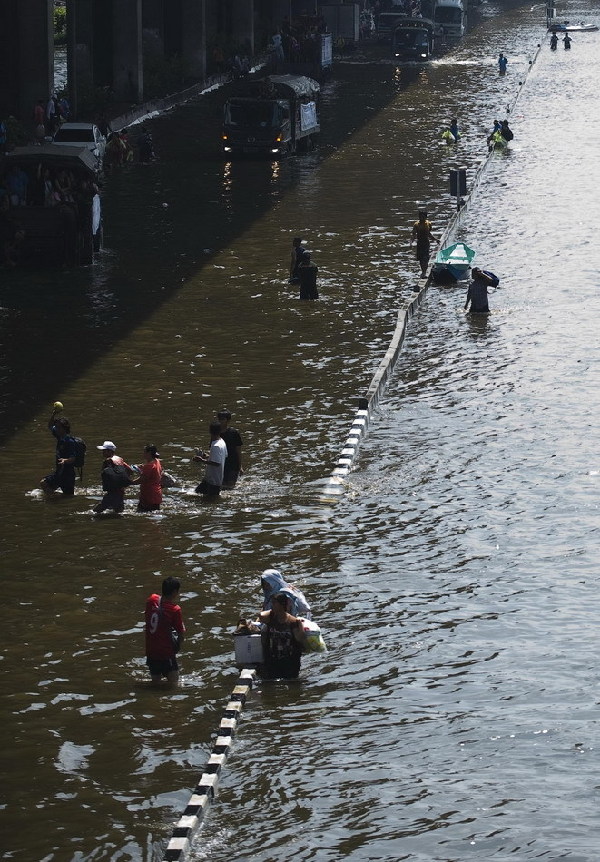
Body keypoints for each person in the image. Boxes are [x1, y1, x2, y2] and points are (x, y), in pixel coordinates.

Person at [145, 576, 185, 686]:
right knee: (174, 684)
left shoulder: (151, 600)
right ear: (174, 592)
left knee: (155, 684)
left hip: (151, 651)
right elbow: (181, 634)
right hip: (165, 653)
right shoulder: (175, 609)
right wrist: (177, 647)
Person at [259, 593, 307, 679]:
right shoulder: (271, 618)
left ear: (282, 605)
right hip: (273, 659)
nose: (272, 605)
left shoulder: (292, 621)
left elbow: (300, 638)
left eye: (274, 603)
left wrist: (300, 624)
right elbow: (261, 616)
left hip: (289, 661)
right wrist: (271, 611)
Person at [41, 409, 77, 496]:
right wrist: (53, 414)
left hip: (68, 475)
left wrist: (65, 460)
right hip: (59, 472)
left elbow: (73, 458)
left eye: (58, 427)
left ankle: (56, 501)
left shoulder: (70, 441)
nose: (56, 429)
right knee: (44, 483)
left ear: (64, 429)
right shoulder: (59, 436)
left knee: (68, 497)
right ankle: (54, 501)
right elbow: (50, 426)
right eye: (56, 427)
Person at [93, 441, 135, 514]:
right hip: (121, 491)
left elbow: (104, 476)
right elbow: (130, 471)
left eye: (104, 450)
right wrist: (122, 482)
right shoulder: (119, 459)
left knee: (96, 511)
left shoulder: (107, 462)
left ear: (110, 451)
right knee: (119, 512)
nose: (102, 452)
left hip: (112, 492)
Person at [193, 421, 227, 497]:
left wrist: (201, 460)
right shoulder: (222, 442)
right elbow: (222, 456)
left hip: (213, 481)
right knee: (196, 494)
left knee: (209, 501)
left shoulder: (216, 446)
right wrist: (207, 456)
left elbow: (217, 463)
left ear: (210, 431)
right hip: (210, 479)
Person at [216, 409, 244, 488]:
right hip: (221, 462)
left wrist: (240, 466)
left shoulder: (234, 433)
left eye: (223, 419)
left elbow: (238, 450)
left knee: (230, 486)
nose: (220, 421)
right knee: (222, 485)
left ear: (228, 420)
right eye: (219, 419)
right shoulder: (216, 433)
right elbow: (213, 449)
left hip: (233, 462)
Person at [411, 209, 438, 278]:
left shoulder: (428, 224)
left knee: (425, 258)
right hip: (420, 243)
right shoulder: (416, 224)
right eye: (420, 216)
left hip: (426, 243)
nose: (421, 218)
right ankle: (423, 271)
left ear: (426, 217)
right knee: (420, 258)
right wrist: (411, 242)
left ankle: (424, 272)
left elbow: (429, 234)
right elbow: (414, 234)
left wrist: (435, 240)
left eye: (423, 217)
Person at [136, 445, 163, 512]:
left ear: (149, 453)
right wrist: (143, 468)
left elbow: (142, 479)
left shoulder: (149, 466)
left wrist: (129, 482)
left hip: (149, 497)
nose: (143, 454)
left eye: (144, 452)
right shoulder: (157, 461)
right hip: (156, 495)